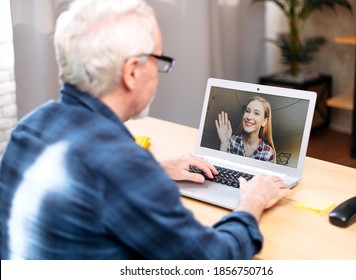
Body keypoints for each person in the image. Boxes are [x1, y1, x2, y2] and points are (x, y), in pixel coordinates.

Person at [0, 0, 290, 260]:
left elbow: (88, 180)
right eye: (158, 60)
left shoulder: (29, 127)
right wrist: (253, 199)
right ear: (132, 72)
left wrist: (158, 168)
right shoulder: (121, 165)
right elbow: (212, 259)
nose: (159, 72)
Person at [215, 96, 276, 163]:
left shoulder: (268, 153)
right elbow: (221, 167)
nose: (249, 117)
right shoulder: (233, 141)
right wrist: (224, 142)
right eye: (247, 111)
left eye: (256, 113)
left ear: (264, 122)